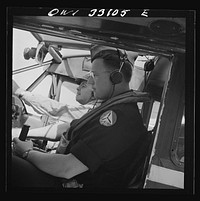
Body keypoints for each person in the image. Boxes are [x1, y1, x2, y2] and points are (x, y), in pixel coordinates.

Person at [11, 46, 150, 189]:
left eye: (94, 75)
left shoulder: (118, 118)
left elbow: (67, 168)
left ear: (116, 77)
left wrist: (27, 152)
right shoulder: (114, 110)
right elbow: (68, 131)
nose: (91, 82)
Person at [12, 76, 95, 143]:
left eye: (83, 85)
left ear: (95, 89)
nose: (77, 88)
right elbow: (62, 129)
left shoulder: (91, 111)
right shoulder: (88, 114)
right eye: (79, 85)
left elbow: (58, 110)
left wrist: (20, 92)